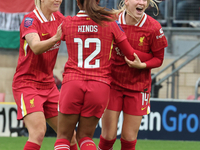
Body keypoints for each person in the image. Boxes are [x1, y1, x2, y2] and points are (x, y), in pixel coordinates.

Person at [54, 0, 154, 150]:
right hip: (99, 86)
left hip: (72, 83)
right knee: (85, 138)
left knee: (63, 138)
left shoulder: (68, 22)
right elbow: (129, 54)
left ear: (77, 3)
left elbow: (48, 41)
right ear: (98, 1)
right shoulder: (110, 23)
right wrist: (153, 57)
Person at [98, 0, 168, 150]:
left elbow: (159, 59)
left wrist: (142, 65)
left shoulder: (154, 27)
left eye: (145, 0)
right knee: (108, 136)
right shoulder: (112, 20)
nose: (141, 2)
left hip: (138, 87)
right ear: (127, 1)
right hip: (113, 85)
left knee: (129, 139)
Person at [12, 0, 77, 150]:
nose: (58, 0)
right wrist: (55, 38)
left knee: (69, 135)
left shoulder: (60, 19)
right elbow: (35, 47)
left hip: (48, 85)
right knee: (38, 132)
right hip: (26, 84)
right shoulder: (30, 20)